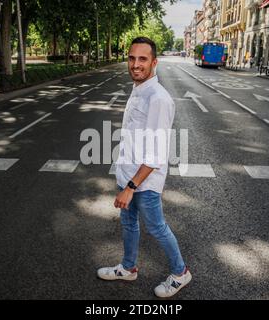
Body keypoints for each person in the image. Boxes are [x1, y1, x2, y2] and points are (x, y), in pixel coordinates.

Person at [97, 37, 191, 298]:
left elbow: (156, 154)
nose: (135, 65)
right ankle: (128, 268)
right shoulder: (139, 88)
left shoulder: (158, 98)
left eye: (142, 59)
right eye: (131, 58)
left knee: (157, 228)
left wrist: (130, 187)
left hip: (143, 181)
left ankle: (181, 272)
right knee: (129, 224)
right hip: (128, 173)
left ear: (154, 62)